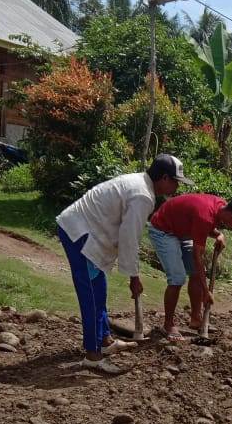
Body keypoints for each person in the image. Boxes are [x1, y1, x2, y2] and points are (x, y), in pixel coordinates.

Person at [56, 154, 190, 373]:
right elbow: (130, 239)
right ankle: (93, 355)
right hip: (80, 233)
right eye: (176, 181)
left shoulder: (141, 185)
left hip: (87, 230)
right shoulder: (142, 196)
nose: (177, 186)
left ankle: (105, 341)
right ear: (164, 178)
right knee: (91, 295)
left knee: (99, 290)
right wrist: (134, 278)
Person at [148, 193, 232, 340]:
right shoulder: (205, 215)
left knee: (197, 273)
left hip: (181, 231)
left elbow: (204, 226)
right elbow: (197, 256)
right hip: (163, 231)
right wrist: (206, 292)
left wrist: (218, 234)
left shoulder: (220, 207)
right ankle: (167, 324)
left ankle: (196, 319)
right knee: (177, 278)